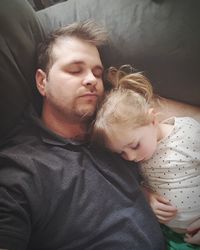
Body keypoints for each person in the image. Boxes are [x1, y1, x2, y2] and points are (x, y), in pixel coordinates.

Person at [0, 21, 199, 250]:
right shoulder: (20, 166)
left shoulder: (117, 135)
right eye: (75, 70)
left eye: (97, 73)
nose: (92, 80)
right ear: (42, 81)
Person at [91, 65, 200, 250]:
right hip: (172, 236)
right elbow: (136, 184)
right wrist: (147, 195)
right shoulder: (140, 156)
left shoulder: (187, 132)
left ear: (152, 119)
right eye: (122, 153)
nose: (131, 157)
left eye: (134, 146)